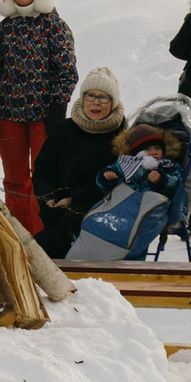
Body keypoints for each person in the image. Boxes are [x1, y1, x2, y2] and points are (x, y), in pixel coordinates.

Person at [0, 0, 78, 234]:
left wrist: (58, 107)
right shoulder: (4, 28)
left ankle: (44, 235)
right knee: (14, 179)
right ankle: (20, 234)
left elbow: (67, 72)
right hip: (7, 115)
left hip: (43, 116)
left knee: (44, 179)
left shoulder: (54, 25)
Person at [32, 67, 126, 258]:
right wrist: (47, 198)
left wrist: (74, 198)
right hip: (57, 205)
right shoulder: (64, 129)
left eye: (103, 97)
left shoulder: (121, 136)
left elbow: (117, 182)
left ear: (113, 102)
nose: (96, 103)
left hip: (97, 207)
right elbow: (43, 170)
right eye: (90, 96)